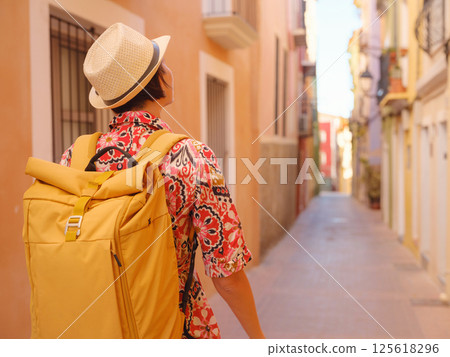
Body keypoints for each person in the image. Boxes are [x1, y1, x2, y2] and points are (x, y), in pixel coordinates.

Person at [60, 23, 264, 339]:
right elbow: (227, 275)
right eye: (163, 64)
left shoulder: (75, 155)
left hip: (99, 326)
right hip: (173, 324)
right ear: (157, 80)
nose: (169, 69)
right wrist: (259, 340)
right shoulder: (191, 156)